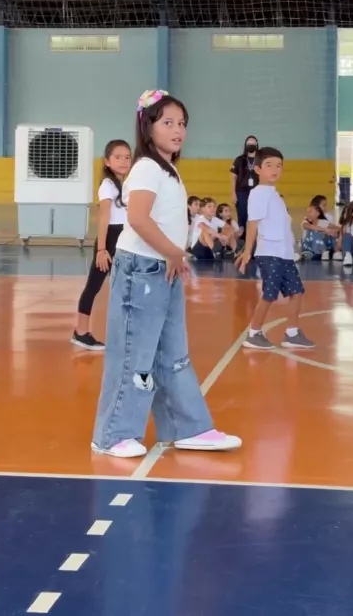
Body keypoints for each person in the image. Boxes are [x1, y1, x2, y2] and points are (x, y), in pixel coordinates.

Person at [92, 89, 241, 458]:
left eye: (182, 123)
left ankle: (187, 427)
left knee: (173, 354)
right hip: (141, 270)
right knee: (133, 355)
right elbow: (138, 218)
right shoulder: (145, 167)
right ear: (148, 127)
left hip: (163, 268)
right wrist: (174, 251)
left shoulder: (167, 169)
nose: (178, 130)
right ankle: (111, 435)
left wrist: (174, 256)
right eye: (168, 122)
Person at [236, 146, 315, 350]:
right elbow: (253, 223)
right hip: (269, 253)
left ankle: (292, 333)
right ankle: (254, 333)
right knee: (269, 294)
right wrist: (247, 251)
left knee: (296, 291)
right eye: (269, 165)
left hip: (284, 254)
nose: (275, 170)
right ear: (258, 169)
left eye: (279, 166)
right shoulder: (258, 193)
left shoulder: (275, 195)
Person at [72, 139, 132, 351]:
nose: (123, 161)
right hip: (110, 240)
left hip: (124, 239)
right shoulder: (107, 185)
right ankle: (81, 332)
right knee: (94, 286)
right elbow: (104, 217)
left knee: (126, 287)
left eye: (127, 157)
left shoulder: (124, 184)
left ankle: (127, 333)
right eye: (118, 157)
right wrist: (101, 249)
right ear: (107, 161)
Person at [230, 135, 259, 233]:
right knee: (242, 216)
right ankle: (242, 239)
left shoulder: (261, 160)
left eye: (253, 143)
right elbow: (233, 177)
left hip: (257, 192)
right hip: (241, 192)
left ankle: (255, 239)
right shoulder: (239, 160)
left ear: (257, 145)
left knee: (255, 217)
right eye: (249, 143)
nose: (251, 144)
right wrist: (233, 193)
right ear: (245, 145)